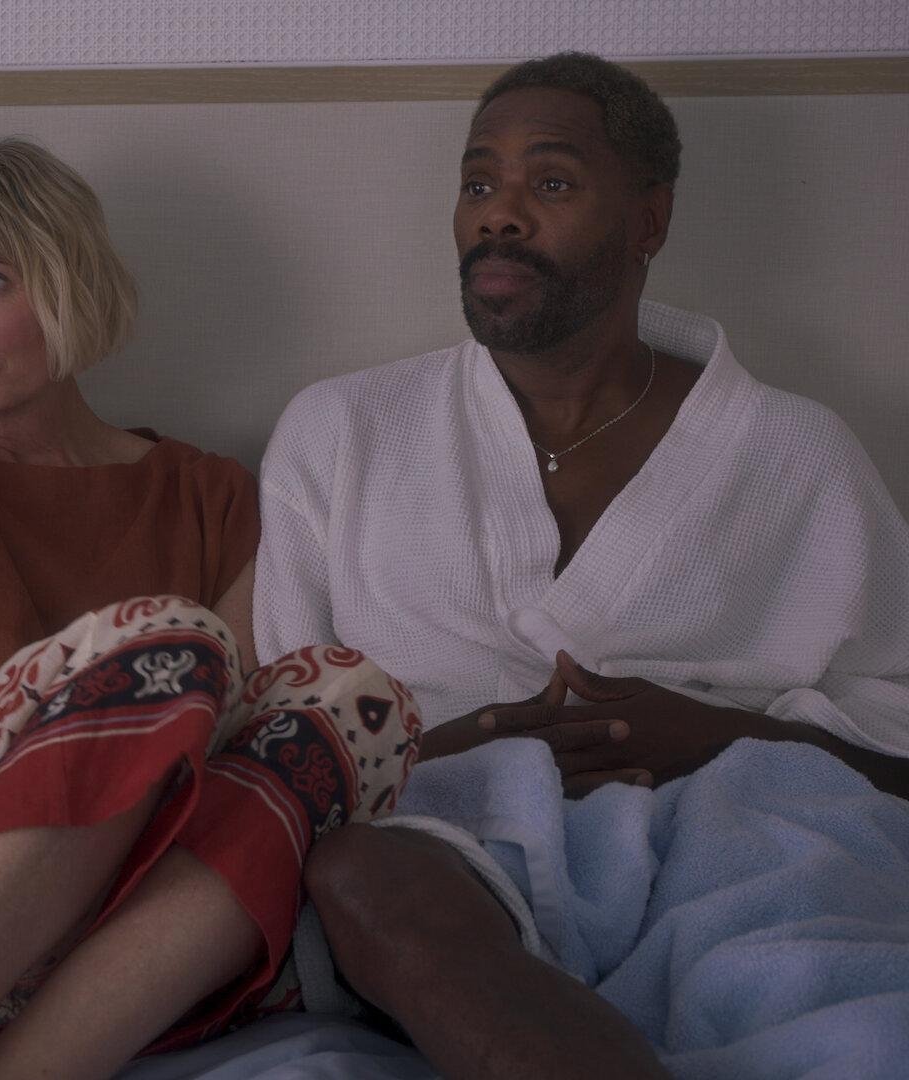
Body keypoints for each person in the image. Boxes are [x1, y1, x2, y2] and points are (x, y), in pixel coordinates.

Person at [256, 51, 909, 1078]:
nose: (500, 217)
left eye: (551, 182)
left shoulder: (796, 453)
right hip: (445, 851)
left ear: (650, 219)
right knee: (360, 880)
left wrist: (716, 735)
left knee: (862, 1030)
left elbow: (899, 755)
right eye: (479, 183)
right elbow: (286, 744)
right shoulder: (341, 432)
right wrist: (467, 745)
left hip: (742, 833)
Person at [0, 138, 421, 1080]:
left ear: (72, 283)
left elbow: (234, 748)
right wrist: (131, 693)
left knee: (352, 700)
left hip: (144, 888)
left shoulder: (211, 494)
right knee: (169, 650)